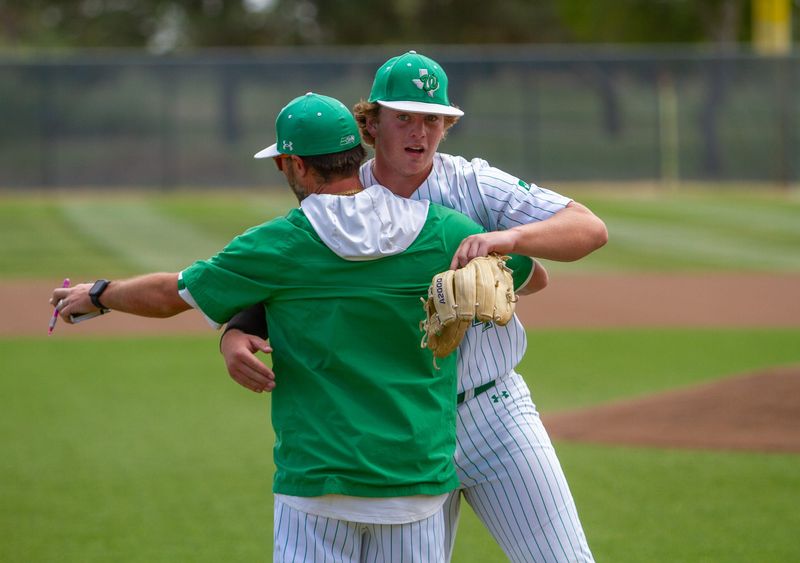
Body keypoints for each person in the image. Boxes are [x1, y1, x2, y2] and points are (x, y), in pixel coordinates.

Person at [50, 92, 546, 563]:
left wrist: (97, 295)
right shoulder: (444, 230)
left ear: (296, 166)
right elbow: (530, 277)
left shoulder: (276, 245)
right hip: (414, 485)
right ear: (358, 154)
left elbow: (169, 295)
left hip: (316, 486)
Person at [221, 51, 607, 562]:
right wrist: (236, 328)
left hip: (495, 414)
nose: (419, 132)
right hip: (405, 433)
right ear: (370, 123)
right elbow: (301, 275)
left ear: (446, 126)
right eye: (403, 116)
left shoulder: (474, 183)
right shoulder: (340, 194)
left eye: (432, 119)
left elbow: (588, 230)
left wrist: (508, 239)